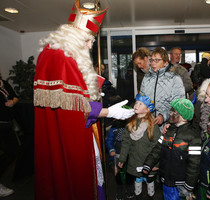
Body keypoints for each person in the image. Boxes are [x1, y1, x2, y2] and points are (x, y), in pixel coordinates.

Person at [33, 1, 135, 199]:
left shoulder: (61, 54)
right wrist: (109, 112)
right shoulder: (61, 57)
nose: (89, 45)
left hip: (80, 131)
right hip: (72, 137)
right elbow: (71, 110)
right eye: (87, 40)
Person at [143, 98, 201, 200]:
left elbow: (194, 164)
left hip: (181, 183)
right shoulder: (169, 130)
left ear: (183, 117)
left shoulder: (193, 136)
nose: (170, 113)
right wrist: (148, 164)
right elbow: (158, 148)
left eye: (174, 112)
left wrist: (189, 185)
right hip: (166, 179)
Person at [118, 93, 161, 199]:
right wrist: (122, 158)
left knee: (149, 180)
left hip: (149, 161)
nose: (136, 105)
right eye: (136, 103)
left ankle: (150, 196)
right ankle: (138, 196)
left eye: (140, 104)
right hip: (135, 160)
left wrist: (157, 163)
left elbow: (158, 146)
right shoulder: (130, 123)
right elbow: (126, 142)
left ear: (147, 109)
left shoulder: (152, 126)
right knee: (137, 180)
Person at [140, 47, 185, 128]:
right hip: (148, 123)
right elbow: (142, 100)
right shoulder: (146, 78)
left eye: (157, 60)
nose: (153, 63)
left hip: (167, 125)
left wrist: (163, 116)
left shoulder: (174, 79)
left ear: (165, 63)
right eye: (152, 60)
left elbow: (178, 106)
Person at [105, 119, 135, 200]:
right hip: (117, 155)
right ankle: (119, 192)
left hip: (128, 155)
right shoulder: (113, 128)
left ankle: (129, 190)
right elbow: (109, 140)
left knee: (129, 173)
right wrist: (111, 149)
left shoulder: (130, 126)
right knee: (118, 175)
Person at [0, 72, 18, 198]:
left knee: (13, 152)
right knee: (7, 153)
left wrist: (13, 101)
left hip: (8, 124)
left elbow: (15, 96)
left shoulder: (4, 83)